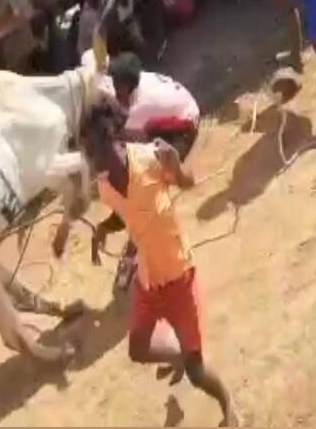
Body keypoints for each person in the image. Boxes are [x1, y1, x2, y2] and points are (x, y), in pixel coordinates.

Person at [81, 106, 236, 427]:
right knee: (138, 348)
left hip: (179, 274)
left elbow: (188, 183)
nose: (89, 160)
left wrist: (177, 170)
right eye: (86, 152)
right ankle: (180, 355)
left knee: (196, 372)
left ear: (111, 139)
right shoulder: (105, 186)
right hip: (148, 280)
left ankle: (228, 405)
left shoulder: (151, 159)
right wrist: (101, 230)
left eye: (92, 150)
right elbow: (123, 214)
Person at [93, 52, 201, 288]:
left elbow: (122, 140)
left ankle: (134, 251)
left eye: (119, 93)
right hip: (169, 113)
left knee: (139, 184)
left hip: (182, 127)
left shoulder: (138, 109)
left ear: (130, 89)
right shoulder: (124, 85)